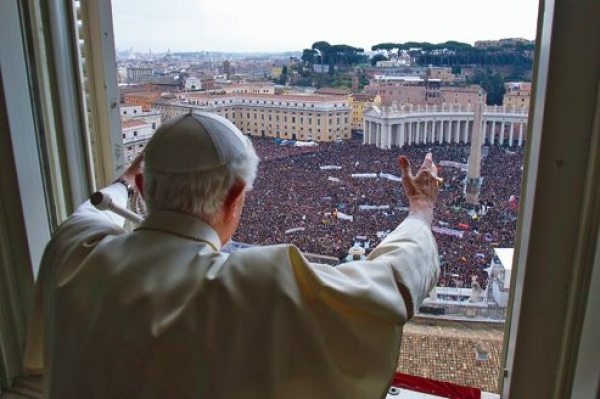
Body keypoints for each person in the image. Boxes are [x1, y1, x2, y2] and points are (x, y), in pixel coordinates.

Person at [24, 112, 440, 399]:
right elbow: (394, 285)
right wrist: (420, 212)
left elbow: (87, 212)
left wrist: (124, 182)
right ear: (235, 197)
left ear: (147, 190)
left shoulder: (72, 252)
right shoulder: (259, 284)